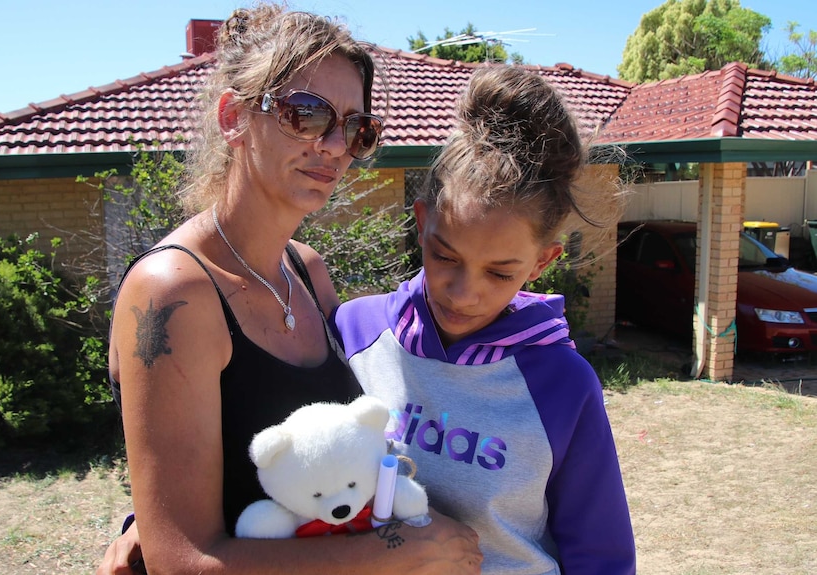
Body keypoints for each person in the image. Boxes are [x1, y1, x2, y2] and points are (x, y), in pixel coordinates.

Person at [98, 3, 482, 574]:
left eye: (357, 128)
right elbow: (182, 560)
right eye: (307, 114)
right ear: (233, 117)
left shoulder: (307, 271)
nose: (334, 146)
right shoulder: (171, 294)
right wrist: (401, 551)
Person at [331, 66, 636, 574]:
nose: (463, 293)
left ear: (541, 262)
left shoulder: (562, 384)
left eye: (499, 272)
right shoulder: (354, 332)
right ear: (422, 223)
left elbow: (601, 555)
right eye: (445, 256)